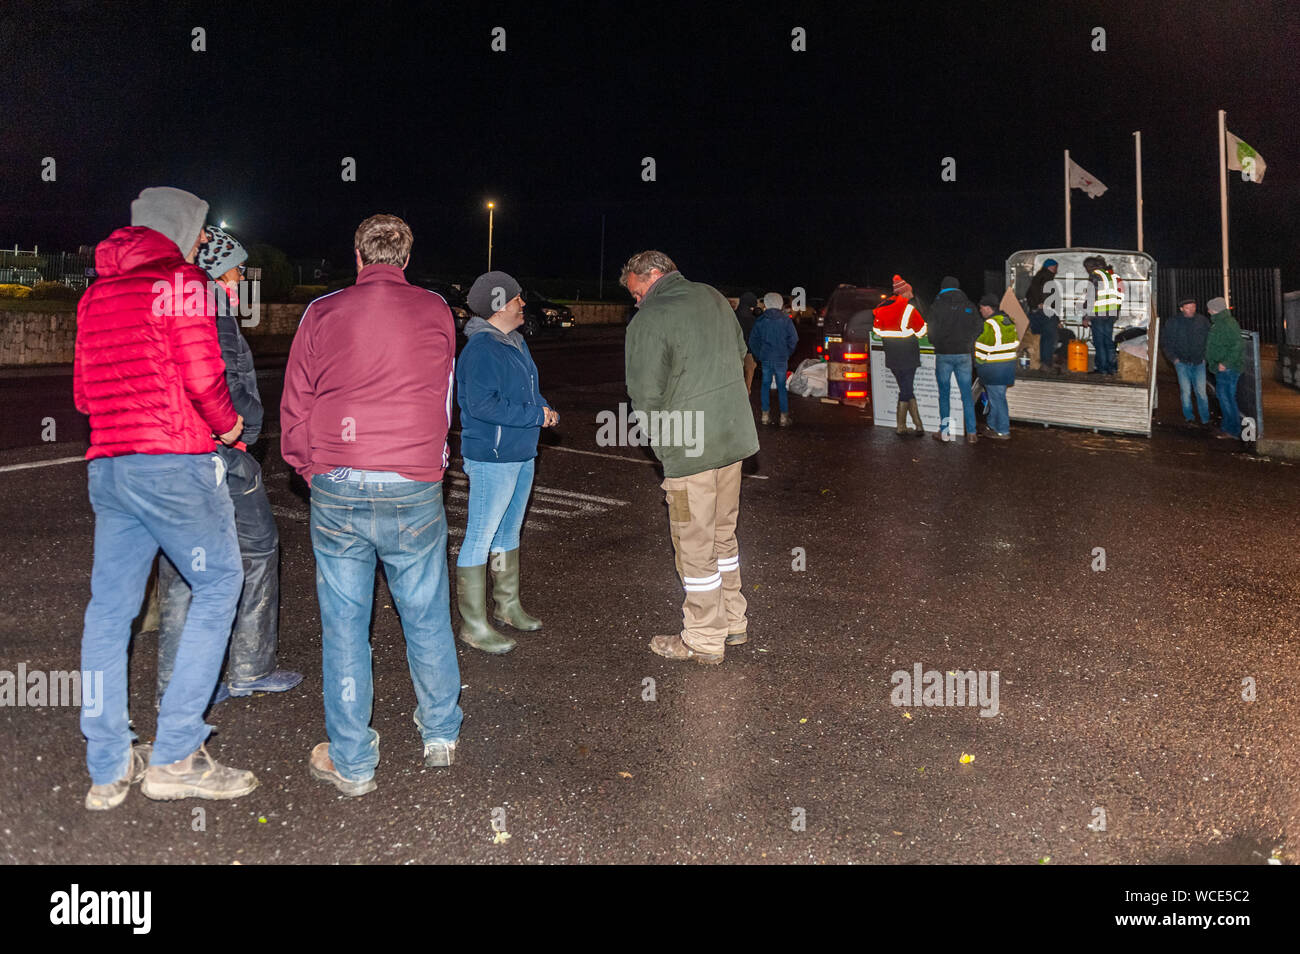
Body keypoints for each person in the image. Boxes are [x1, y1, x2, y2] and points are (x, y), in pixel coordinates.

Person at [75, 186, 256, 809]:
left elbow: (82, 395)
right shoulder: (181, 281)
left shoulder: (97, 293)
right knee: (220, 583)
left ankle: (106, 764)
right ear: (181, 228)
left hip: (110, 466)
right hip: (173, 462)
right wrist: (228, 426)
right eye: (201, 230)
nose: (203, 241)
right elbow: (204, 376)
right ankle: (177, 751)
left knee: (109, 612)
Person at [281, 213, 461, 797]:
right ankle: (440, 734)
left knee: (344, 627)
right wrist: (431, 464)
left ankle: (353, 763)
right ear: (405, 259)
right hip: (412, 482)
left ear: (357, 256)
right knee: (427, 613)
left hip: (339, 479)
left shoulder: (322, 312)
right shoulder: (436, 310)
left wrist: (310, 468)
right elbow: (443, 396)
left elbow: (297, 401)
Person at [155, 225, 301, 706]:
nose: (241, 280)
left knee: (184, 561)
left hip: (182, 452)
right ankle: (248, 669)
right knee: (258, 548)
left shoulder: (177, 307)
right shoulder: (212, 315)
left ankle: (185, 683)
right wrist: (243, 431)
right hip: (221, 453)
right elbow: (217, 381)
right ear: (215, 271)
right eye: (236, 270)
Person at [622, 250, 759, 664]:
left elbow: (644, 396)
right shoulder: (714, 298)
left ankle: (702, 637)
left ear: (651, 277)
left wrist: (666, 448)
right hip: (731, 440)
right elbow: (741, 357)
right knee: (723, 535)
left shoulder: (651, 317)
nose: (635, 302)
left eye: (635, 293)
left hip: (690, 450)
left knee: (693, 543)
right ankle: (734, 621)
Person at [454, 270, 557, 655]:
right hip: (493, 457)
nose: (522, 304)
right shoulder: (482, 348)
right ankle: (474, 624)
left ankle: (508, 606)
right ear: (499, 305)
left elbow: (526, 391)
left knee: (508, 533)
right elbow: (481, 405)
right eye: (516, 299)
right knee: (480, 537)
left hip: (521, 452)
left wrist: (542, 408)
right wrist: (535, 416)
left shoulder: (513, 342)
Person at [927, 276, 983, 442]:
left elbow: (931, 331)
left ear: (943, 288)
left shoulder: (937, 305)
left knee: (944, 394)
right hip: (964, 354)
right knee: (966, 394)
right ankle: (972, 433)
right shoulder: (968, 305)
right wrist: (969, 340)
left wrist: (937, 342)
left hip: (944, 354)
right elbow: (979, 326)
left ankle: (944, 432)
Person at [871, 275, 928, 438]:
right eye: (910, 291)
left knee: (905, 388)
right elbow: (921, 331)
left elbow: (877, 331)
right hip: (908, 355)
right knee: (907, 389)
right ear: (904, 292)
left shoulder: (881, 308)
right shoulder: (909, 309)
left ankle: (918, 425)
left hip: (891, 354)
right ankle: (901, 426)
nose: (912, 294)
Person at [748, 291, 799, 426]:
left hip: (766, 358)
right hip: (781, 358)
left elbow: (753, 340)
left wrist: (759, 354)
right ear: (780, 303)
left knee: (765, 385)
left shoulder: (761, 321)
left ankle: (765, 415)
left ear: (767, 303)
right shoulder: (786, 320)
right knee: (781, 386)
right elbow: (794, 339)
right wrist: (787, 352)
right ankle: (783, 417)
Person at [1161, 296, 1212, 429]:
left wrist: (1205, 357)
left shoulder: (1202, 321)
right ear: (1181, 309)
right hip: (1182, 362)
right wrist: (1174, 359)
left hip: (1199, 361)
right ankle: (1190, 418)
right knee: (1186, 391)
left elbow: (1210, 339)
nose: (1191, 310)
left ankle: (1205, 419)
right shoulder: (1173, 322)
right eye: (1188, 308)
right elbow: (1166, 342)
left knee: (1201, 391)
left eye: (1193, 307)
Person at [975, 293, 1019, 440]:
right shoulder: (1008, 321)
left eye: (981, 308)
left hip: (994, 368)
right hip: (1007, 366)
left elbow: (982, 347)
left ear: (988, 308)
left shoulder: (990, 324)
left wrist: (978, 361)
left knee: (997, 400)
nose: (980, 311)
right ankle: (992, 425)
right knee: (998, 398)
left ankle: (1003, 430)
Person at [1204, 296, 1244, 440]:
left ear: (1214, 309)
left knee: (1227, 398)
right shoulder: (1223, 322)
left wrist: (1225, 363)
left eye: (1209, 308)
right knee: (1224, 397)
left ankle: (1232, 430)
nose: (1208, 311)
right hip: (1224, 367)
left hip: (1227, 368)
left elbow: (1237, 346)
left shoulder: (1226, 324)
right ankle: (1228, 427)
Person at [1083, 255, 1123, 376]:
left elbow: (1092, 298)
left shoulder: (1095, 276)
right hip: (1111, 314)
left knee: (1099, 343)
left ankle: (1102, 369)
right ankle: (1113, 368)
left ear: (1089, 266)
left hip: (1099, 315)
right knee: (1108, 342)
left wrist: (1086, 317)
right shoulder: (1111, 276)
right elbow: (1119, 295)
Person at [1025, 258, 1059, 371]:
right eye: (1055, 267)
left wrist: (1034, 306)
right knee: (1049, 337)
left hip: (1037, 312)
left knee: (1045, 337)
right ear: (1051, 267)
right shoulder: (1047, 277)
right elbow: (1045, 294)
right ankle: (1046, 363)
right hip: (1045, 312)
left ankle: (1045, 361)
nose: (1056, 270)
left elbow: (1029, 294)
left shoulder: (1038, 277)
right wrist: (1044, 305)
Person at [735, 292, 760, 394]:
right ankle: (746, 394)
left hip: (735, 350)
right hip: (749, 351)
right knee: (749, 373)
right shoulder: (753, 319)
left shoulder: (734, 315)